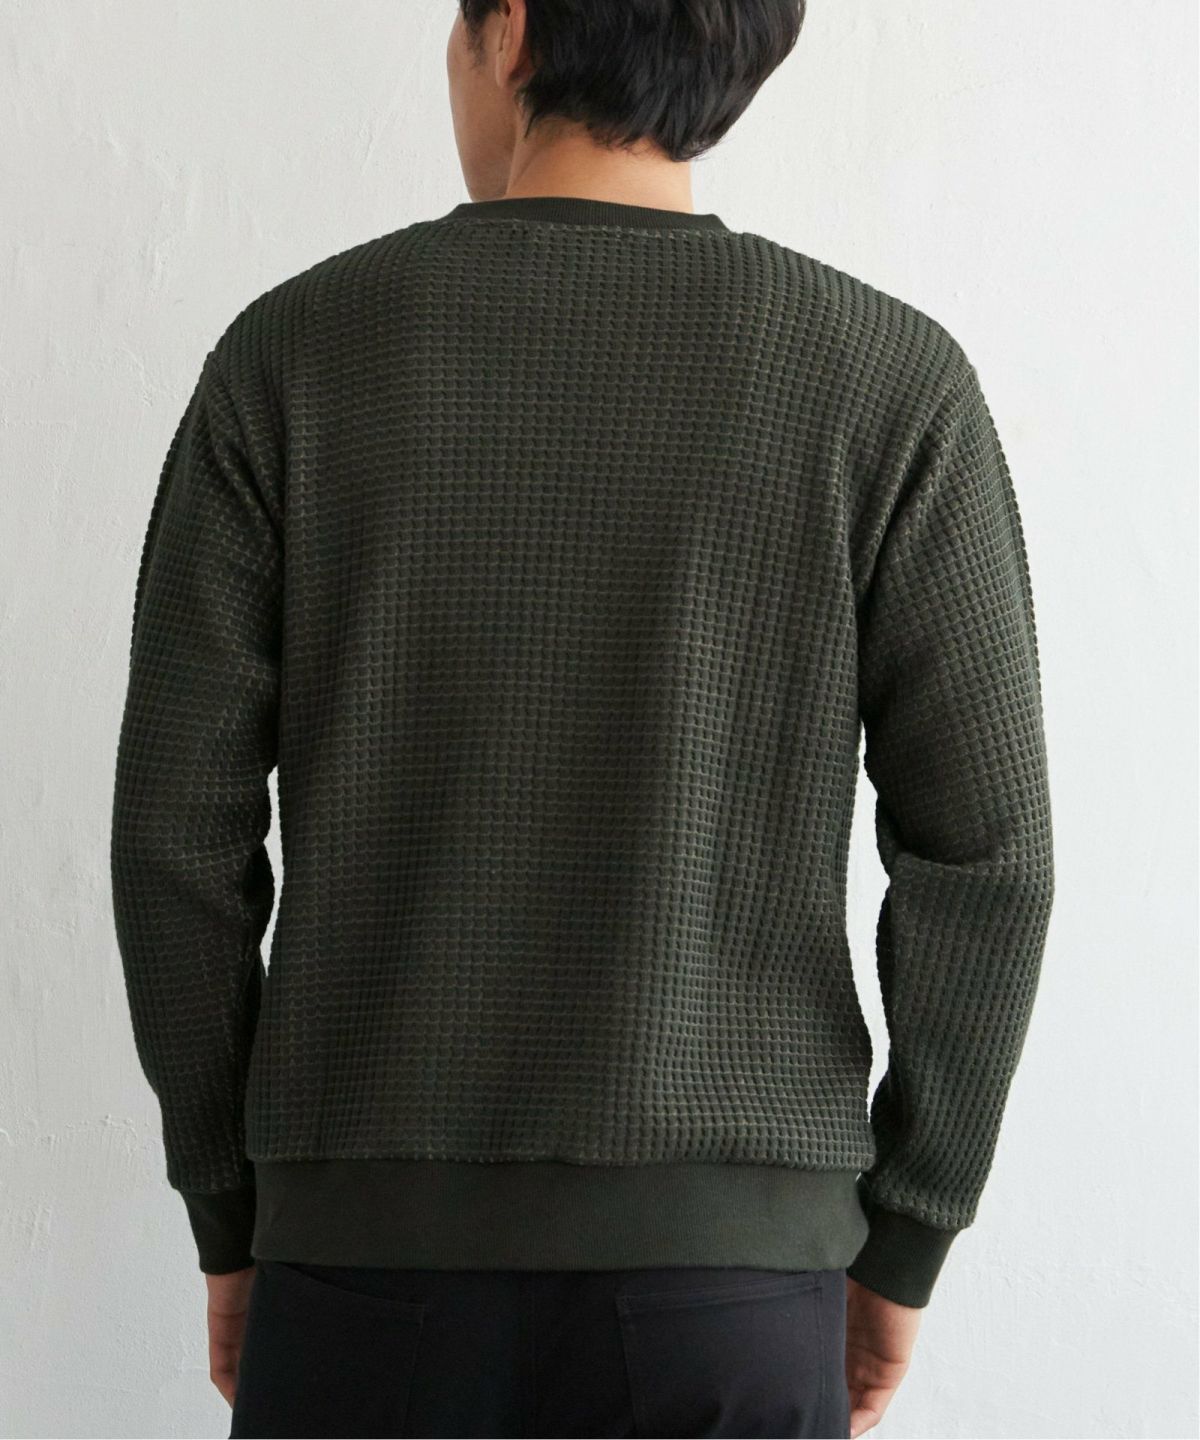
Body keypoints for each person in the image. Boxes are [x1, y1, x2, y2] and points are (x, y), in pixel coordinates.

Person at [109, 1, 1055, 1436]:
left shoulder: (293, 357)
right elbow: (991, 858)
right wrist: (909, 1232)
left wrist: (231, 1210)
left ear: (511, 30)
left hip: (362, 1272)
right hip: (736, 1292)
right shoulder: (887, 381)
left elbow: (176, 839)